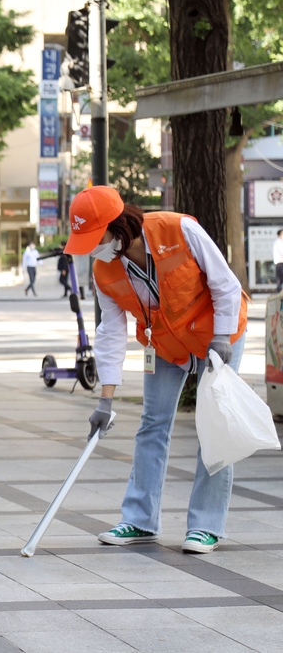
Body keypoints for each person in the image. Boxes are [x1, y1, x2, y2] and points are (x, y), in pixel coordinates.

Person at [64, 186, 247, 554]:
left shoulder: (178, 230)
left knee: (215, 426)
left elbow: (225, 284)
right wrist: (105, 401)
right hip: (164, 346)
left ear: (115, 227)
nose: (90, 248)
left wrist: (223, 336)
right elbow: (110, 333)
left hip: (218, 337)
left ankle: (206, 526)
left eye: (92, 237)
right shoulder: (104, 271)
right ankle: (140, 520)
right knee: (152, 424)